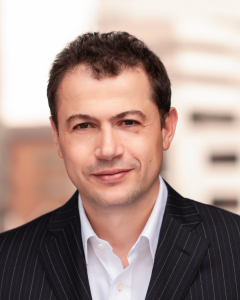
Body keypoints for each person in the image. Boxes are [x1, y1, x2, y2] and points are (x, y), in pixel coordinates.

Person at [0, 32, 239, 300]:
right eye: (83, 126)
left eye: (128, 122)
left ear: (167, 129)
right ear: (57, 138)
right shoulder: (6, 263)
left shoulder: (235, 248)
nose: (108, 150)